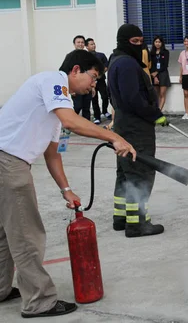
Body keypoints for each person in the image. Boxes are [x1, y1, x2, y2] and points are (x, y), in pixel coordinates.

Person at [0, 50, 135, 318]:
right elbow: (73, 123)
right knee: (27, 235)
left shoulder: (56, 105)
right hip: (9, 163)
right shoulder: (53, 81)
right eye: (93, 78)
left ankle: (1, 289)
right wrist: (113, 137)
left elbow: (52, 154)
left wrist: (66, 189)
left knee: (5, 233)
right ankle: (39, 302)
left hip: (7, 161)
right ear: (76, 70)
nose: (93, 86)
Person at [107, 23, 168, 238]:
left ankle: (121, 217)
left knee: (125, 173)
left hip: (125, 124)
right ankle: (138, 223)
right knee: (140, 173)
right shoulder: (125, 64)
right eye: (135, 42)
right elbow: (133, 98)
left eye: (142, 42)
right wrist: (155, 114)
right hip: (135, 127)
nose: (139, 45)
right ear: (123, 41)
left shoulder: (116, 61)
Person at [86, 38, 110, 124]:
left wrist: (99, 74)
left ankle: (105, 111)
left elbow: (106, 65)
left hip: (101, 80)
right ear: (87, 46)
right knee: (94, 99)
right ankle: (97, 116)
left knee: (105, 96)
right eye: (91, 44)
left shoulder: (101, 55)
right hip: (91, 81)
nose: (93, 46)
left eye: (94, 44)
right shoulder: (85, 57)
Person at [71, 35, 93, 121]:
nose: (80, 44)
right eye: (78, 42)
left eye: (82, 42)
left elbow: (91, 72)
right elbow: (65, 72)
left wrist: (92, 86)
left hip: (87, 86)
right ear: (74, 44)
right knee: (77, 106)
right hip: (76, 86)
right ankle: (70, 123)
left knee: (86, 107)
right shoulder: (70, 57)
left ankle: (87, 127)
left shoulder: (89, 56)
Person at [149, 35, 171, 111]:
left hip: (163, 74)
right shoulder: (151, 53)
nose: (157, 43)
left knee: (162, 94)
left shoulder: (165, 52)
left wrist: (157, 72)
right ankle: (155, 110)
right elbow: (150, 65)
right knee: (155, 95)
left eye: (159, 42)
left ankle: (159, 111)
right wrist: (154, 76)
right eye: (156, 42)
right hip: (154, 75)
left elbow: (165, 65)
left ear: (162, 43)